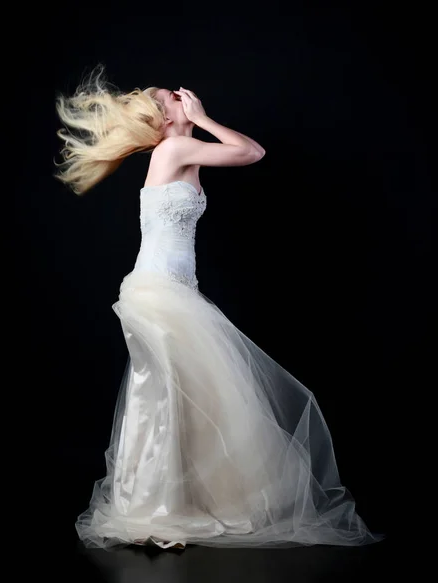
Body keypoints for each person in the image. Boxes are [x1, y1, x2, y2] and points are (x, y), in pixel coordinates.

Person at [55, 67, 381, 551]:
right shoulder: (173, 149)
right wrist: (204, 118)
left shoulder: (185, 154)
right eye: (172, 97)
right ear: (166, 118)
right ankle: (149, 508)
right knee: (165, 395)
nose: (182, 94)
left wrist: (198, 120)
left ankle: (174, 505)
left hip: (177, 289)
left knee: (186, 396)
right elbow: (252, 152)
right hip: (157, 289)